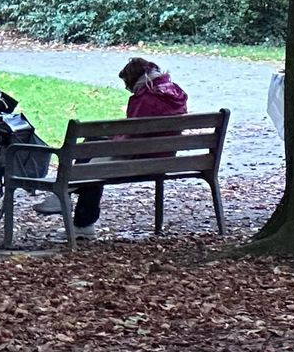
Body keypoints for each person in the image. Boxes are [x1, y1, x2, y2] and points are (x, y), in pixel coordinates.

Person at [37, 57, 191, 234]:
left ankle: (68, 200)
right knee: (95, 146)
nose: (128, 89)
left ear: (134, 79)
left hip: (141, 159)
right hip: (164, 157)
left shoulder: (145, 98)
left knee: (93, 153)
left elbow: (129, 138)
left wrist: (112, 139)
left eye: (127, 84)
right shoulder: (175, 92)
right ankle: (74, 209)